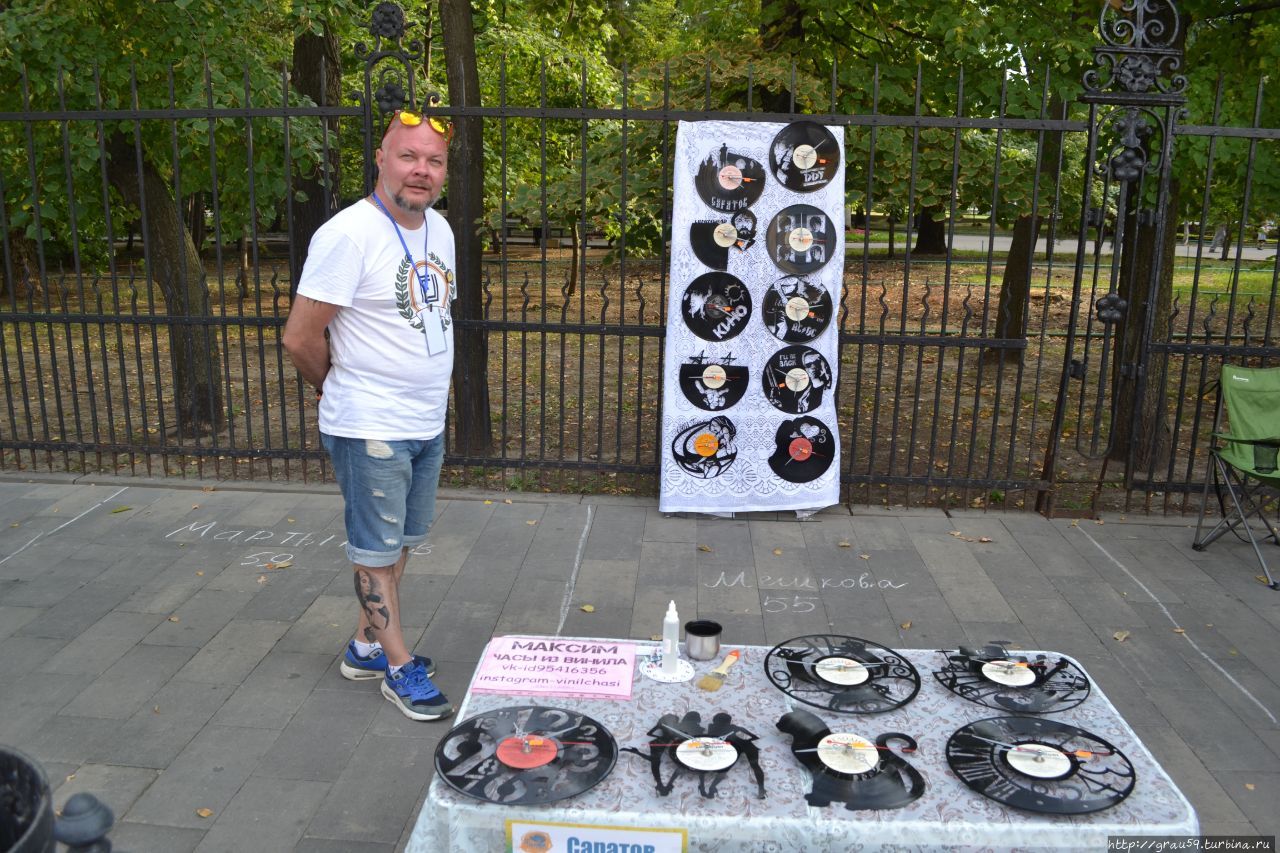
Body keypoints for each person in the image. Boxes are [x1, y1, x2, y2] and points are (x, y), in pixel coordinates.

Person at [282, 102, 457, 722]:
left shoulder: (440, 230)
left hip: (424, 420)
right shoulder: (348, 234)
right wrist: (335, 388)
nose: (421, 170)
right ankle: (400, 668)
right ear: (381, 159)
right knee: (374, 551)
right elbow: (300, 336)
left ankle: (365, 648)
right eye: (408, 156)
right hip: (371, 426)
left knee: (400, 542)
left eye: (434, 160)